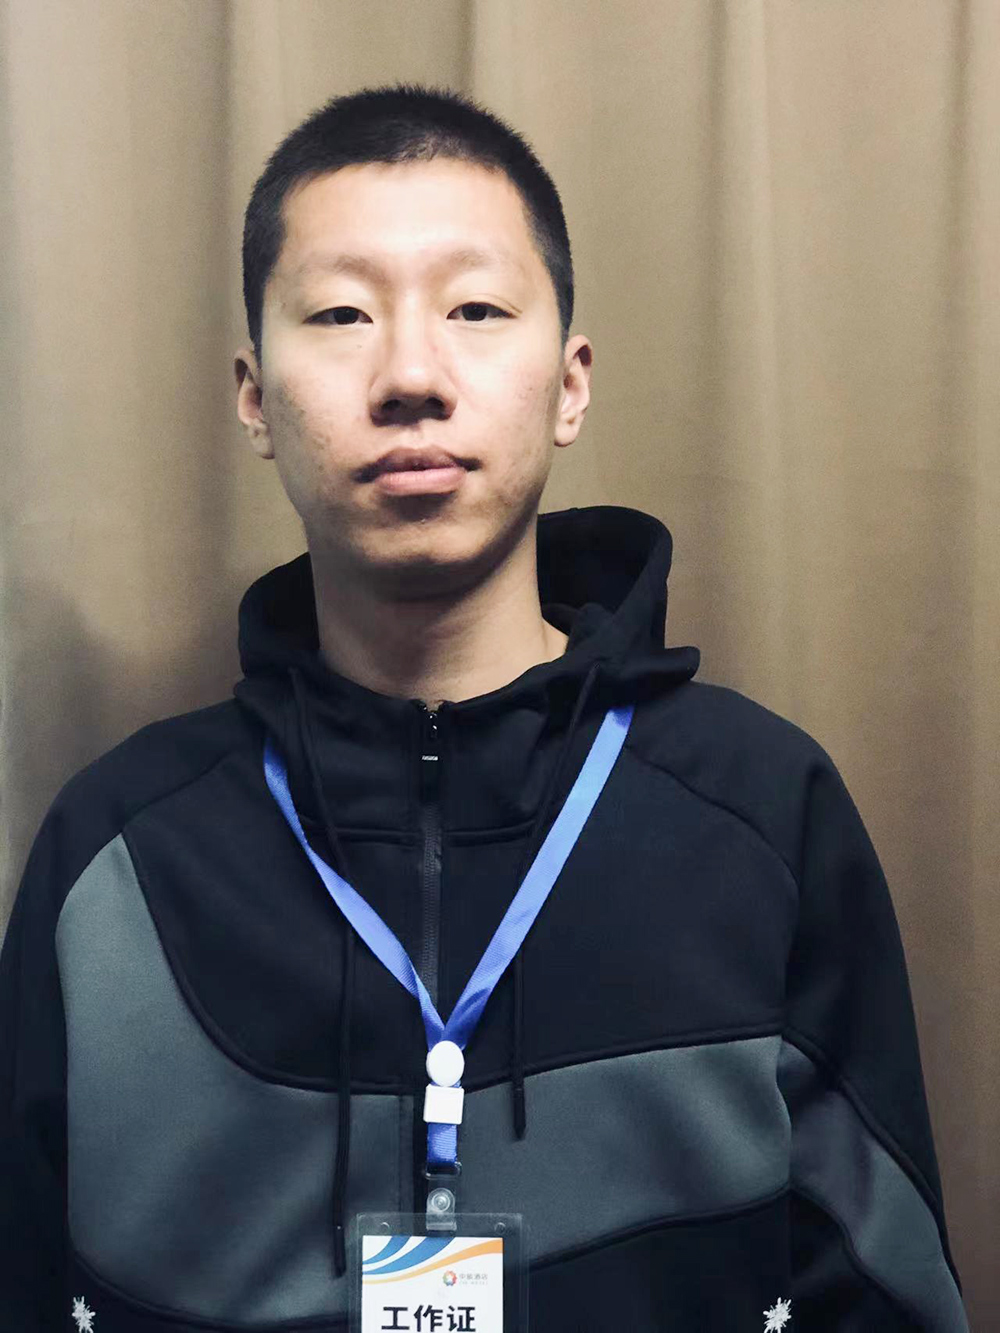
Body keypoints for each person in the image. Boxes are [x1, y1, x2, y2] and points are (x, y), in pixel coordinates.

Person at [0, 82, 967, 1332]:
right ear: (252, 396)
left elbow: (880, 1287)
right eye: (340, 314)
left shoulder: (765, 809)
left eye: (475, 309)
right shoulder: (116, 852)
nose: (411, 373)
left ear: (569, 385)